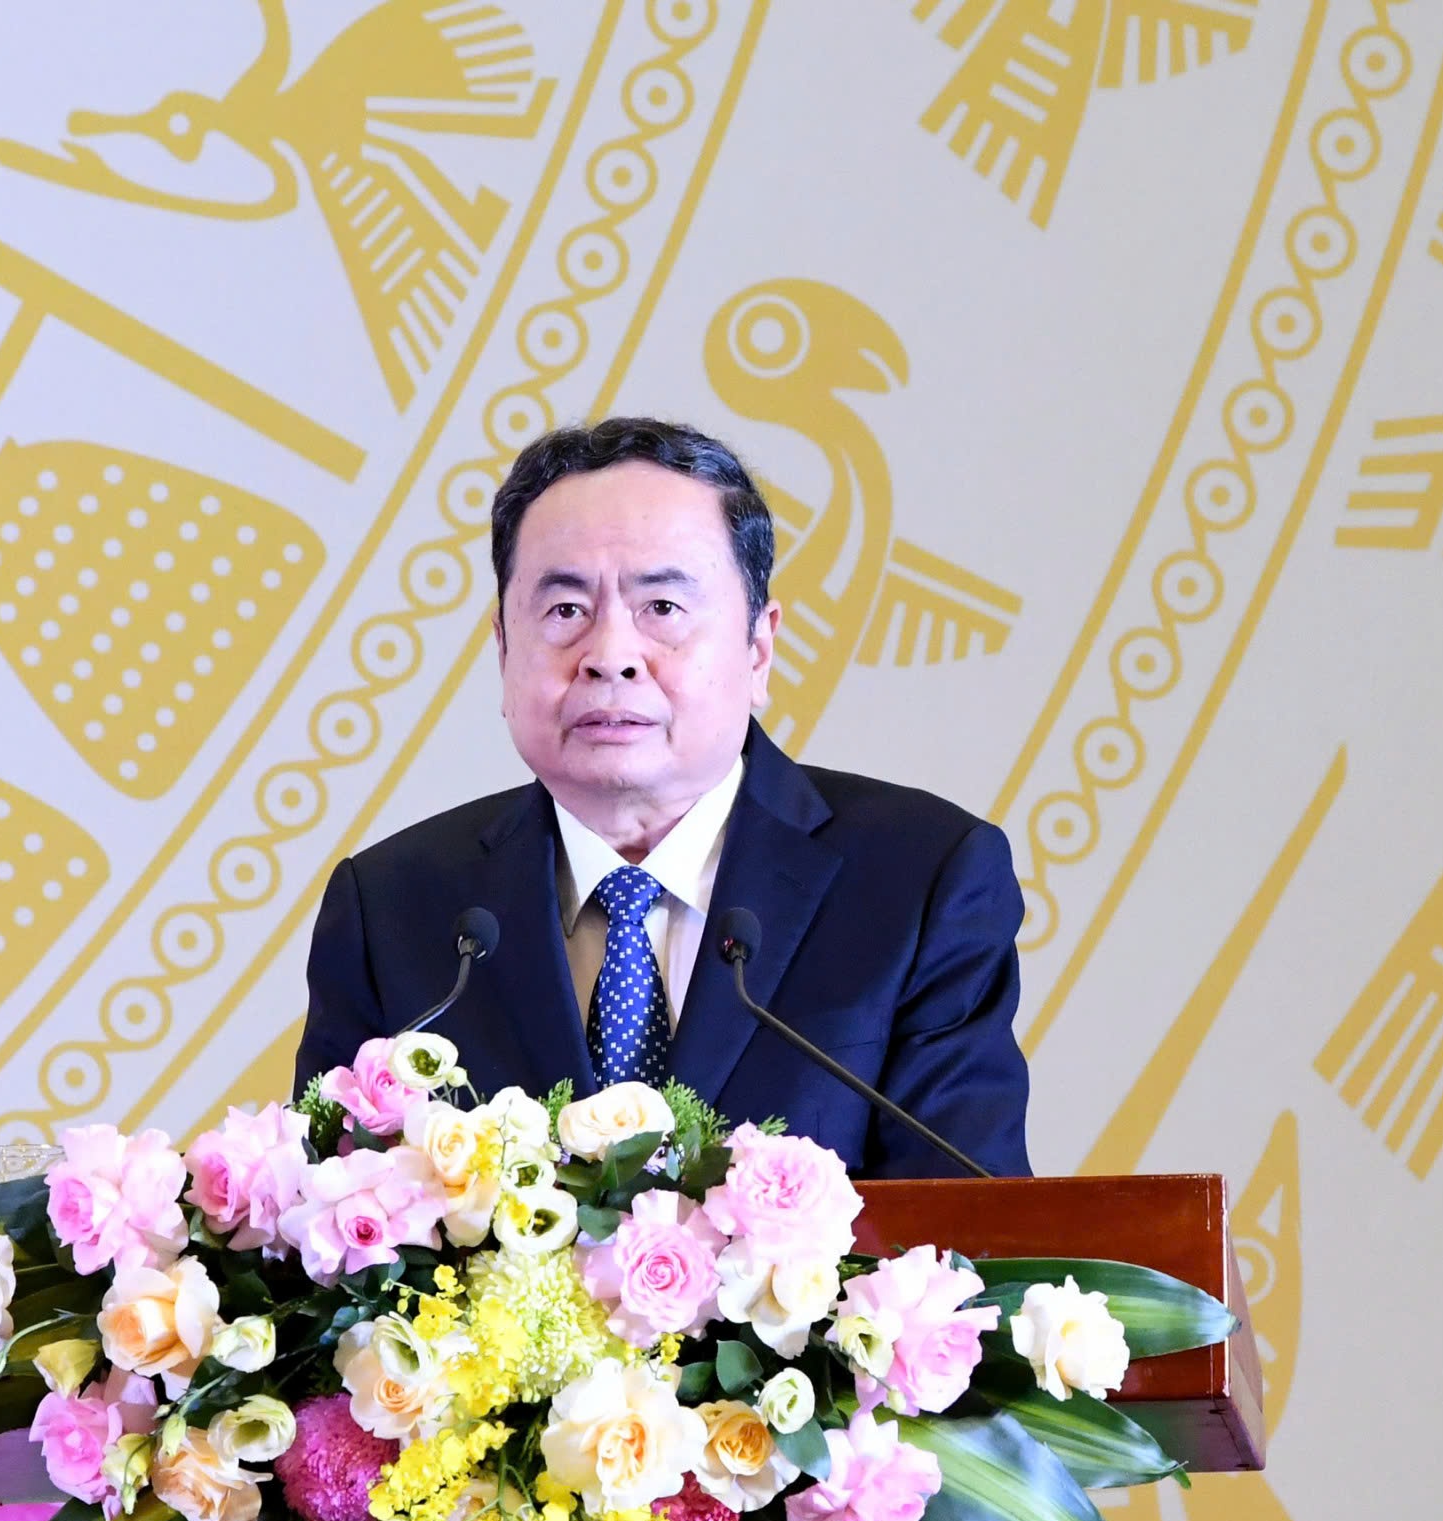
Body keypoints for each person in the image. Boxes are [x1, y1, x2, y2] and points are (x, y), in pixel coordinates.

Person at [294, 417, 1029, 1178]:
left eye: (663, 608)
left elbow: (978, 1224)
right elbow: (328, 1216)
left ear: (759, 648)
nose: (610, 657)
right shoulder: (393, 909)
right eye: (565, 611)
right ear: (504, 648)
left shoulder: (921, 882)